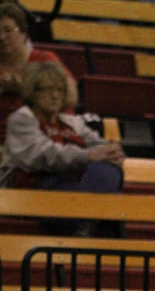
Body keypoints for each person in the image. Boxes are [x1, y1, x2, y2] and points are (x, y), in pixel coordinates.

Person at [0, 61, 124, 233]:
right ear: (32, 91)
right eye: (48, 89)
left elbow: (97, 145)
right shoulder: (21, 119)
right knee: (105, 201)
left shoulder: (70, 121)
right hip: (34, 187)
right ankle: (90, 221)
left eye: (60, 90)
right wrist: (87, 155)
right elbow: (44, 155)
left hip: (75, 186)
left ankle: (86, 223)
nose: (55, 96)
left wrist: (111, 152)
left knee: (108, 169)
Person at [0, 2, 77, 134]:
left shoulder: (44, 59)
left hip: (46, 135)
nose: (1, 37)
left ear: (24, 33)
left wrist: (23, 90)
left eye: (8, 31)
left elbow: (71, 97)